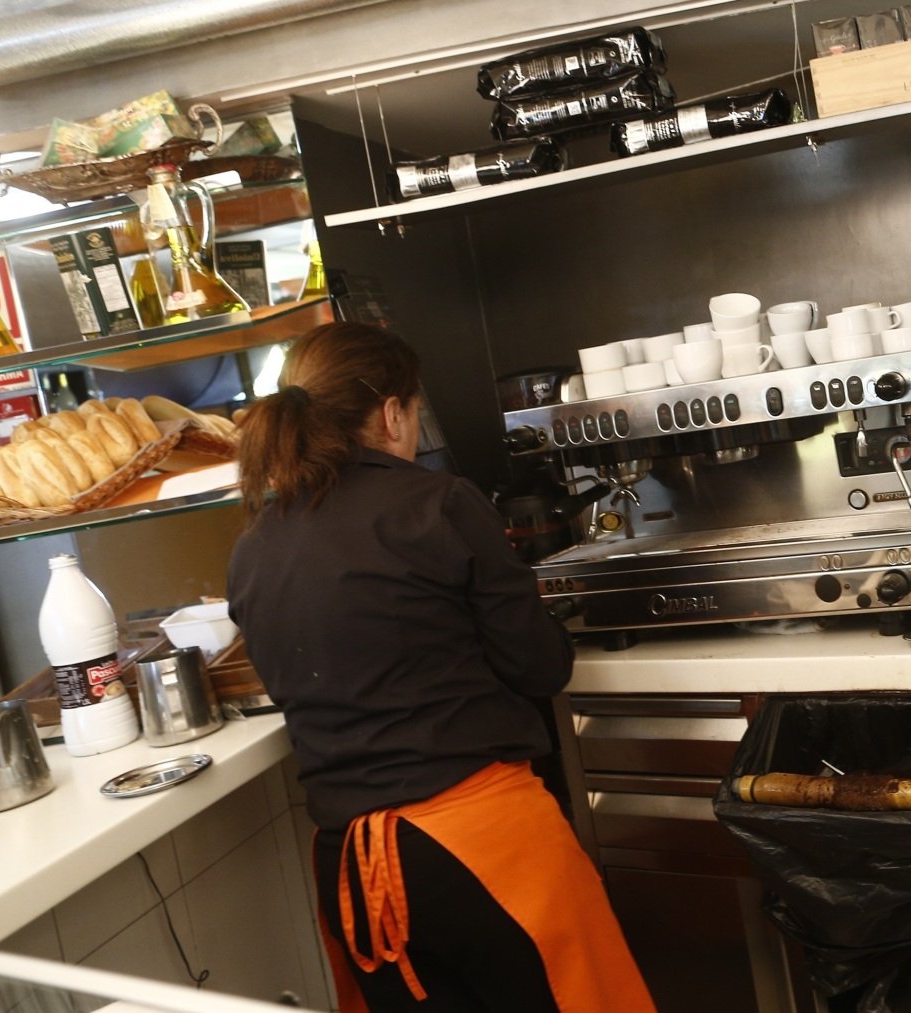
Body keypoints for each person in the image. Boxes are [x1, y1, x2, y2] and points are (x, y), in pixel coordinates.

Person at [227, 323, 653, 1013]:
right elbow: (540, 668)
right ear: (392, 413)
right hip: (481, 851)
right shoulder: (437, 503)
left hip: (355, 875)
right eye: (415, 411)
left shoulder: (253, 545)